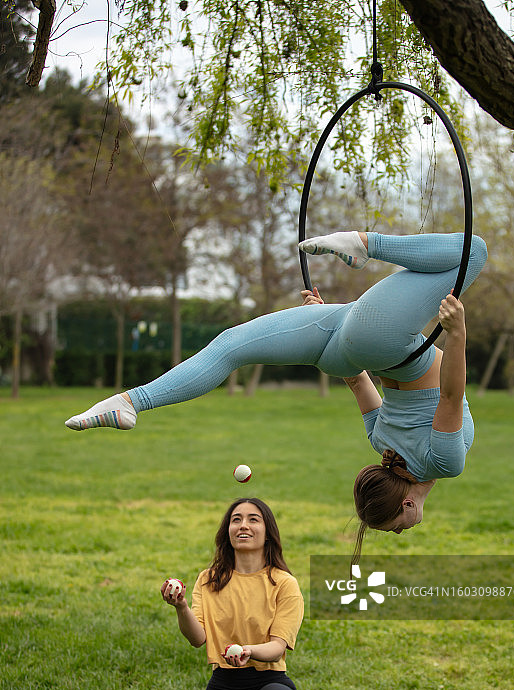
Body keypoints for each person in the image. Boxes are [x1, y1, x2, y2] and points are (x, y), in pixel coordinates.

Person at [66, 229, 487, 553]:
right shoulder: (381, 443)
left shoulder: (445, 464)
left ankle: (364, 242)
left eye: (397, 527)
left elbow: (449, 397)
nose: (403, 530)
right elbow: (356, 378)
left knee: (475, 252)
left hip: (372, 338)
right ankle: (128, 402)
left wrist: (457, 335)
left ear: (408, 507)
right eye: (395, 530)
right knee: (231, 348)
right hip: (345, 350)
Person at [161, 497, 304, 690]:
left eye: (254, 519)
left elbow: (277, 647)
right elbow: (197, 638)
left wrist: (248, 651)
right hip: (225, 687)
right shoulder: (209, 580)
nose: (243, 525)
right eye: (236, 519)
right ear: (227, 530)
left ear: (268, 531)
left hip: (269, 682)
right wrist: (181, 607)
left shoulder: (284, 583)